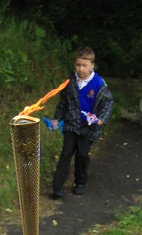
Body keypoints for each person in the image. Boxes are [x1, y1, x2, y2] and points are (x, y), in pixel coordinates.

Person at [50, 46, 114, 199]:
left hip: (88, 127)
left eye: (84, 65)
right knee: (66, 153)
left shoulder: (99, 84)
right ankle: (57, 187)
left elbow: (108, 102)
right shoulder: (71, 81)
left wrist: (101, 119)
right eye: (78, 65)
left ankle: (80, 182)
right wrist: (57, 118)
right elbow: (63, 102)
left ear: (92, 65)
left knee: (82, 155)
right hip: (71, 124)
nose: (81, 69)